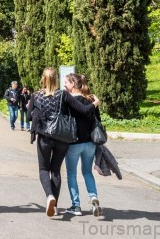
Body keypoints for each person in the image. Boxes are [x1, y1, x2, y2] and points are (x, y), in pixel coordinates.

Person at [28, 67, 100, 218]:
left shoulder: (36, 95)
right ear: (56, 79)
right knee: (56, 171)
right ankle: (55, 205)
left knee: (43, 169)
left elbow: (29, 116)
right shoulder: (64, 95)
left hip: (44, 137)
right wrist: (95, 103)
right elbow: (83, 109)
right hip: (62, 137)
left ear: (43, 79)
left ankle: (50, 197)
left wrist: (32, 108)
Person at [64, 73, 103, 217]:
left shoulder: (68, 100)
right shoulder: (92, 99)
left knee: (72, 174)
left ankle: (76, 206)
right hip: (90, 143)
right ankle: (93, 197)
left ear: (73, 84)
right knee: (87, 172)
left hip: (73, 143)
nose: (64, 85)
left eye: (66, 83)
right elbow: (98, 120)